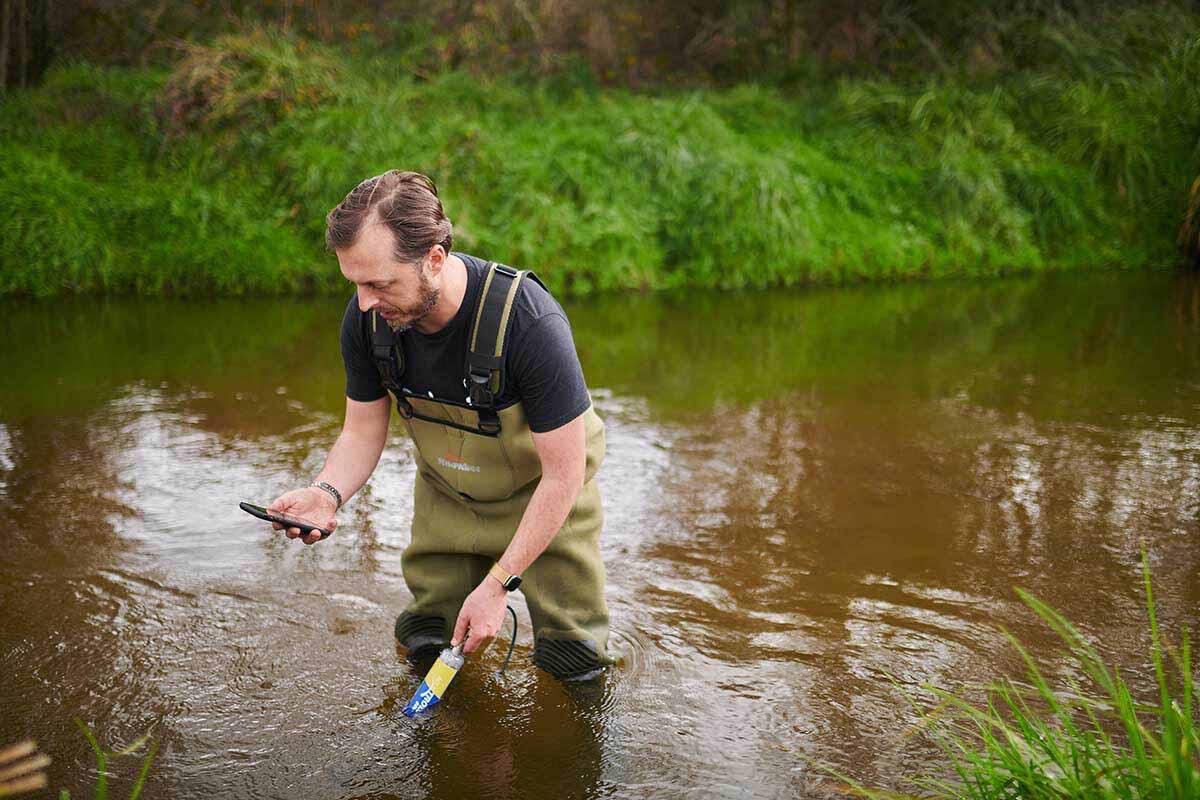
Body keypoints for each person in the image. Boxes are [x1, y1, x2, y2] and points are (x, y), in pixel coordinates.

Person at [266, 170, 612, 680]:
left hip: (546, 499)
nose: (363, 302)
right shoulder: (369, 319)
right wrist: (326, 494)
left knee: (574, 663)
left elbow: (563, 476)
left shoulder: (529, 323)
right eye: (355, 284)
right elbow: (361, 431)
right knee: (425, 638)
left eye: (379, 283)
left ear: (433, 258)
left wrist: (498, 584)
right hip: (447, 496)